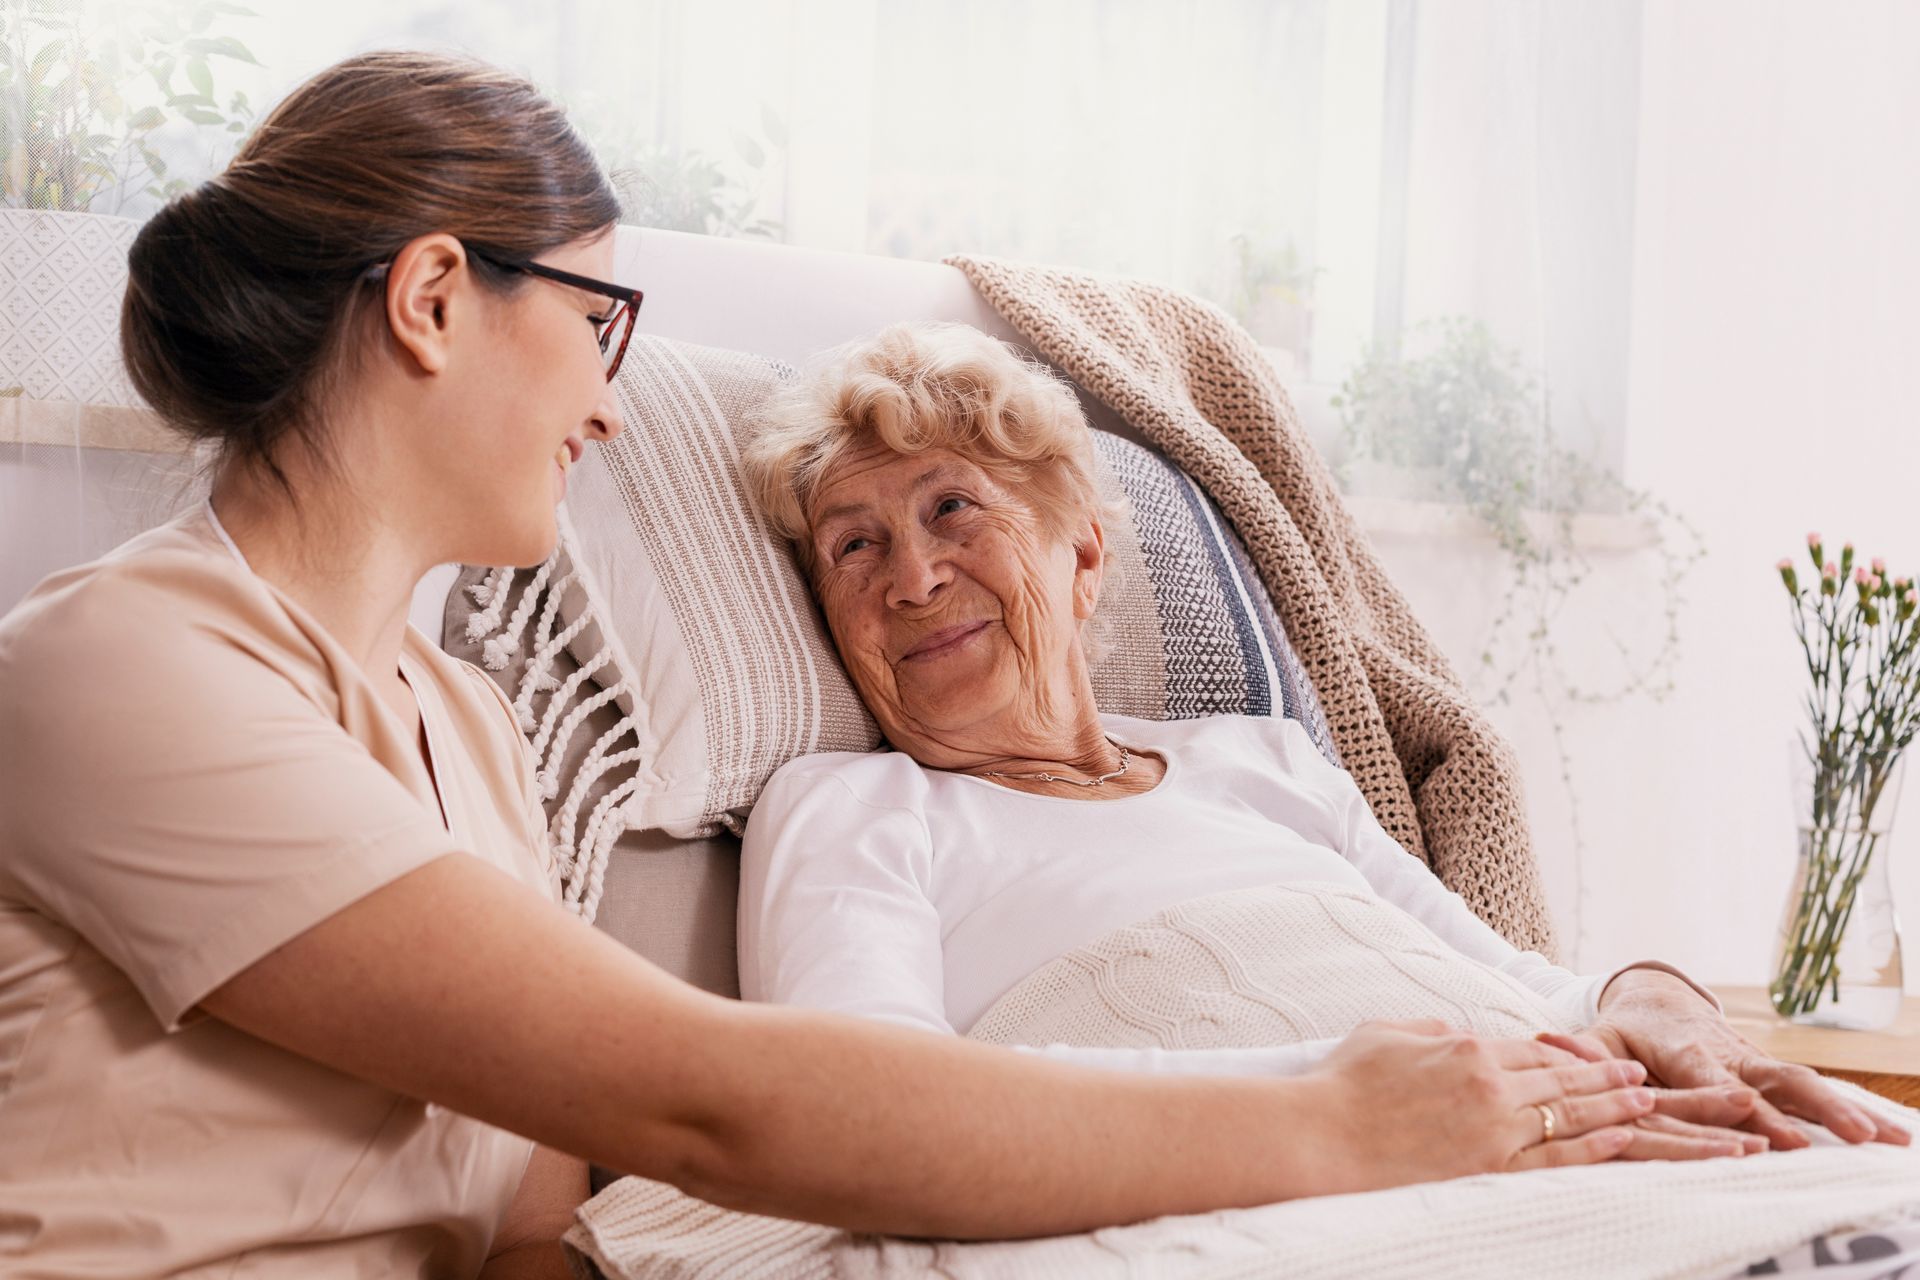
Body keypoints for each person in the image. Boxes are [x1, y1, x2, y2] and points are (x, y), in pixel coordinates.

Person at [0, 52, 1694, 1279]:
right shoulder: (117, 673)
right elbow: (710, 1111)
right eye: (600, 324)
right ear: (435, 299)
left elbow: (525, 1230)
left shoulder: (464, 735)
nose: (610, 400)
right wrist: (1336, 1123)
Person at [734, 321, 1913, 1161]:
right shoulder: (851, 807)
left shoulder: (1265, 761)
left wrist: (1657, 998)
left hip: (1552, 1132)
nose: (915, 575)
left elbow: (1519, 982)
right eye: (852, 546)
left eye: (953, 508)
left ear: (1084, 555)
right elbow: (870, 1114)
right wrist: (1342, 1100)